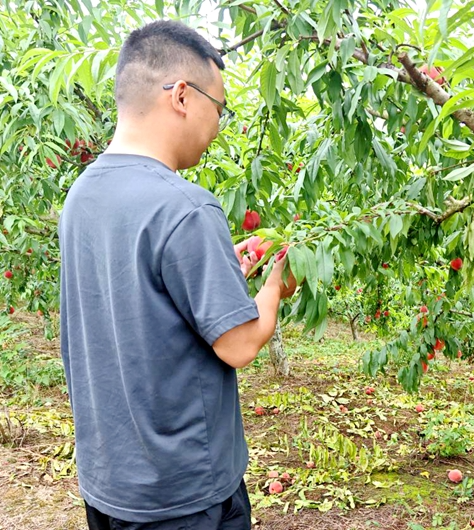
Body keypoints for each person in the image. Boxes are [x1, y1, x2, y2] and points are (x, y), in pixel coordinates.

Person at [58, 20, 296, 530]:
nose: (218, 124)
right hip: (184, 495)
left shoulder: (81, 195)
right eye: (220, 107)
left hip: (110, 483)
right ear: (183, 97)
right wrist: (277, 285)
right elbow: (240, 344)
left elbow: (136, 294)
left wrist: (217, 269)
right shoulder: (186, 207)